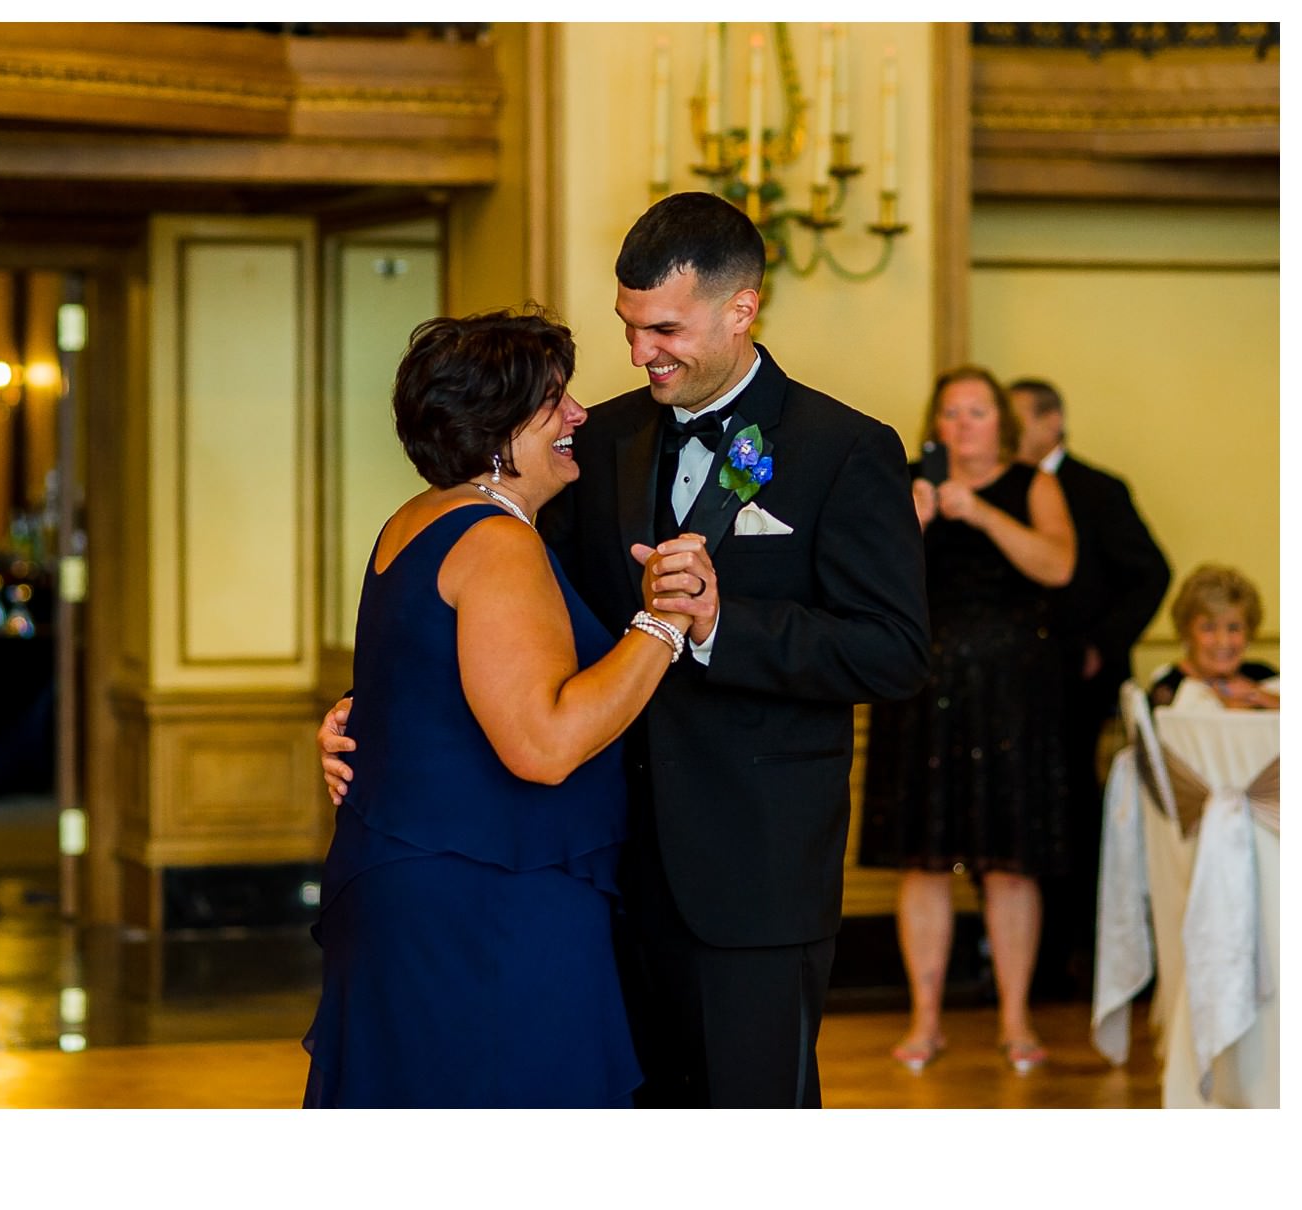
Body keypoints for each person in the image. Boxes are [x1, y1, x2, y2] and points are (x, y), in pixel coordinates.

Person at [322, 192, 932, 1107]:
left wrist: (723, 623)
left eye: (664, 329)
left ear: (741, 308)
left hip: (750, 878)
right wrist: (379, 716)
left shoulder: (843, 449)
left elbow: (894, 652)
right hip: (586, 868)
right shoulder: (591, 439)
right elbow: (505, 611)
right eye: (629, 327)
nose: (641, 353)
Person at [302, 307, 698, 1108]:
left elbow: (430, 685)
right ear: (495, 428)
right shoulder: (497, 541)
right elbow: (543, 746)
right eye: (554, 400)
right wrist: (666, 620)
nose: (578, 415)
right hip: (489, 897)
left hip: (419, 883)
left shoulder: (415, 522)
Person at [859, 366, 1076, 1075]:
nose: (962, 425)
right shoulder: (909, 485)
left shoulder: (1031, 485)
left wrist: (980, 513)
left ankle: (1015, 1018)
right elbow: (865, 582)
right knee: (923, 863)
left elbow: (1058, 566)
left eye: (977, 412)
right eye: (951, 413)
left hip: (1010, 697)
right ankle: (926, 1020)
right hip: (923, 692)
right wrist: (910, 525)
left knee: (1010, 865)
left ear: (1002, 425)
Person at [1010, 377, 1171, 999]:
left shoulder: (1097, 489)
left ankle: (1087, 954)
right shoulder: (1003, 489)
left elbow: (1150, 574)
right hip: (1021, 686)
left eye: (1017, 420)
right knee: (1027, 816)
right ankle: (1035, 961)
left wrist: (1104, 643)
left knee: (1078, 816)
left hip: (1082, 685)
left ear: (1054, 422)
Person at [1150, 564, 1277, 710]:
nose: (1223, 642)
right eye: (1208, 628)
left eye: (1234, 628)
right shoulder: (1168, 690)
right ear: (1186, 632)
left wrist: (1262, 698)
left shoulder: (1264, 677)